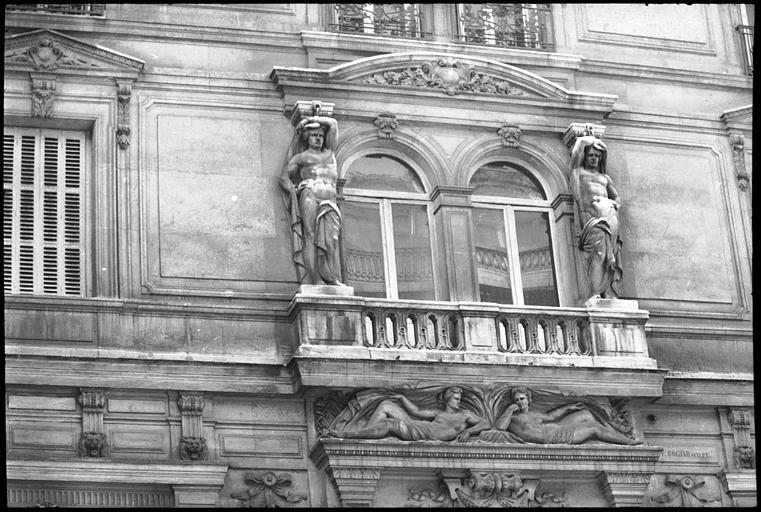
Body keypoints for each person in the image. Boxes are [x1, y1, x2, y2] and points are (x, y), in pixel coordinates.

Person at [280, 104, 344, 286]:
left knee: (331, 241)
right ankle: (316, 280)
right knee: (310, 236)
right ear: (307, 138)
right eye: (314, 135)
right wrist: (293, 191)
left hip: (329, 199)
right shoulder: (301, 158)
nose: (318, 138)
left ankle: (331, 277)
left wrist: (310, 120)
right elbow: (283, 178)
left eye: (320, 136)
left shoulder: (330, 153)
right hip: (309, 194)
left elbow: (333, 124)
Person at [569, 135, 622, 300]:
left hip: (608, 216)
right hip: (591, 219)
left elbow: (617, 198)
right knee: (598, 254)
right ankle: (595, 292)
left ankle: (607, 292)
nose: (594, 159)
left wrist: (613, 205)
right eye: (591, 155)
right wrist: (588, 136)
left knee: (609, 256)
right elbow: (577, 149)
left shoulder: (605, 178)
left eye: (597, 156)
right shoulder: (578, 173)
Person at [329, 387, 489, 442]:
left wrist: (468, 431)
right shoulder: (438, 413)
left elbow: (486, 424)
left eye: (459, 399)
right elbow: (416, 412)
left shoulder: (465, 414)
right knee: (386, 404)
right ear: (447, 400)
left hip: (422, 433)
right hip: (419, 427)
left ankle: (349, 435)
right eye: (456, 399)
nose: (458, 402)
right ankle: (367, 434)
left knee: (388, 424)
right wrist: (402, 398)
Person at [493, 387, 641, 445]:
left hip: (556, 427)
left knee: (586, 413)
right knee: (594, 427)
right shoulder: (512, 418)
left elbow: (551, 416)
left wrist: (569, 406)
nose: (519, 402)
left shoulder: (535, 414)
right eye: (517, 400)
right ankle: (627, 442)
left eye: (522, 399)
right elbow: (500, 428)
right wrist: (509, 410)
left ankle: (617, 434)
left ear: (528, 400)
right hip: (555, 436)